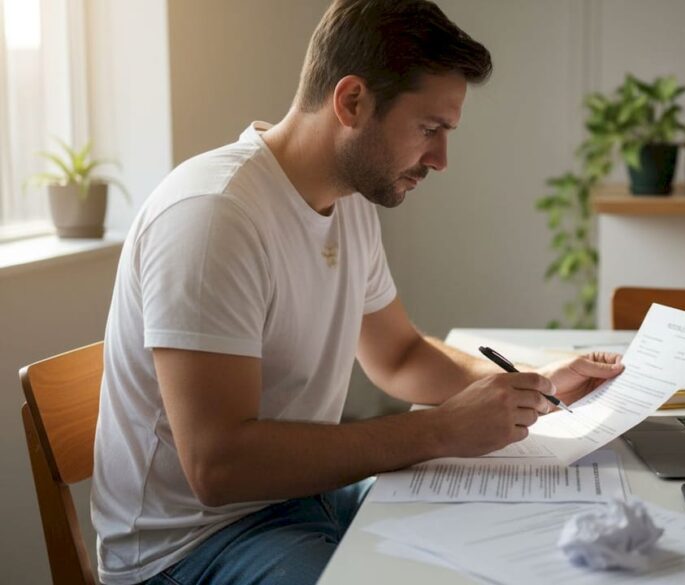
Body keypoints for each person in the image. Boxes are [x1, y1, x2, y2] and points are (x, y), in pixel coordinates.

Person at [90, 1, 624, 583]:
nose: (441, 160)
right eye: (429, 129)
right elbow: (217, 467)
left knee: (526, 540)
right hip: (193, 547)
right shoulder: (215, 215)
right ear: (351, 102)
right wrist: (440, 429)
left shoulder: (347, 202)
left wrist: (533, 383)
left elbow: (398, 356)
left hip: (305, 500)